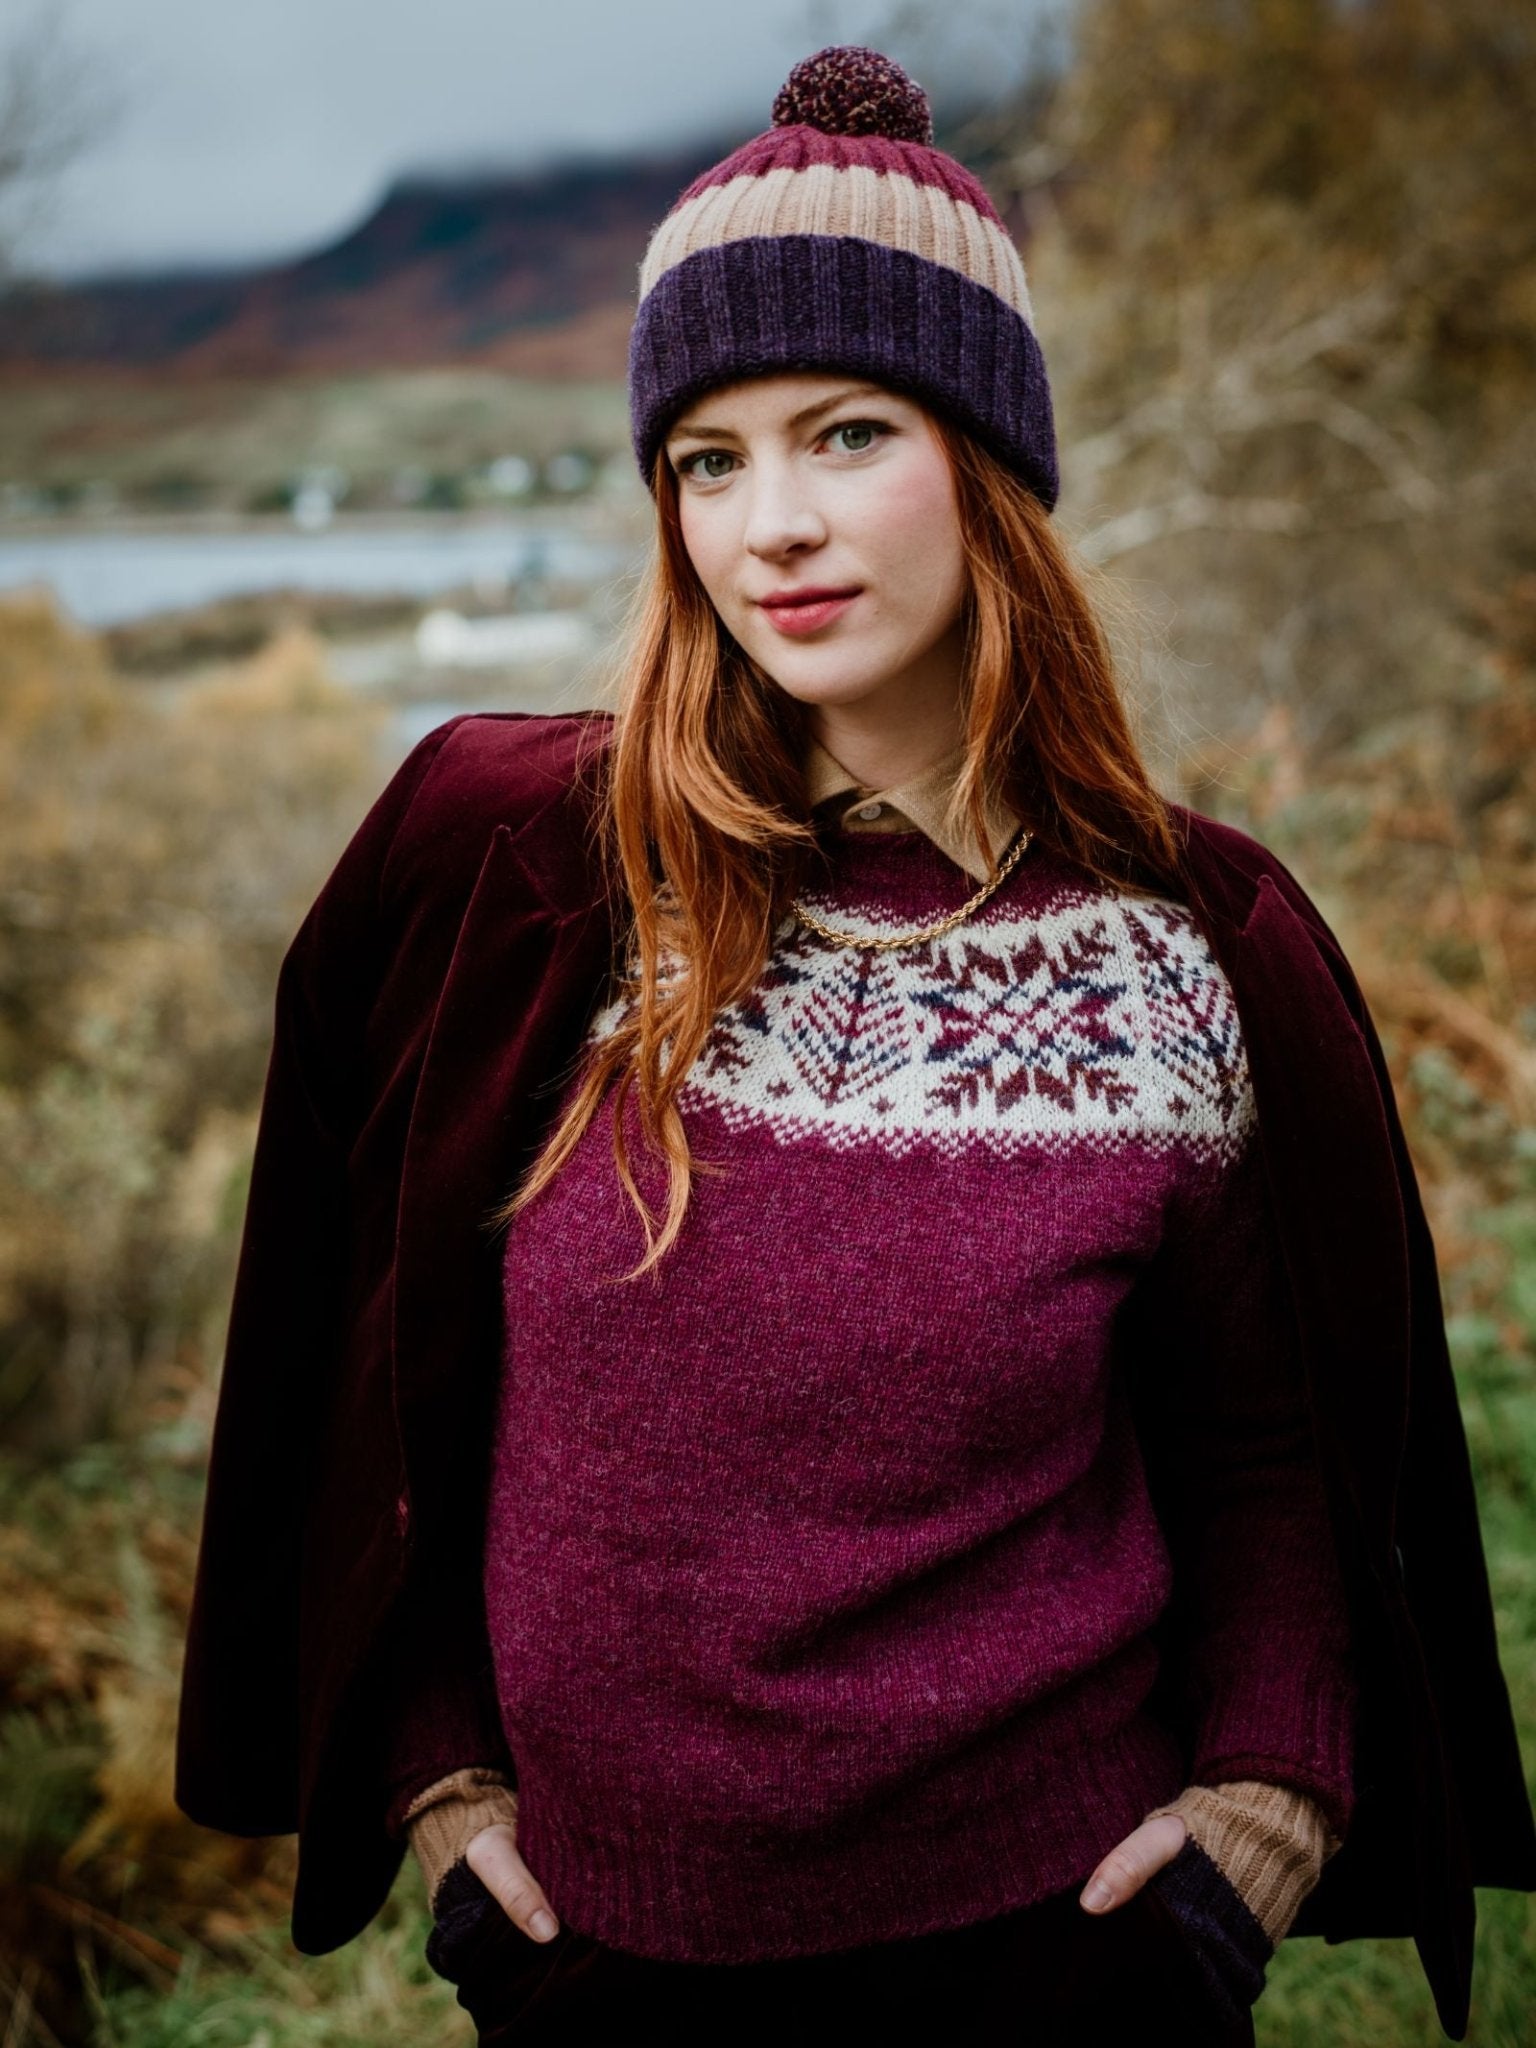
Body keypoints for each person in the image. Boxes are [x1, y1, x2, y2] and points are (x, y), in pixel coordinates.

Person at [173, 44, 1536, 2048]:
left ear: (981, 458)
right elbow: (376, 1336)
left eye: (844, 433)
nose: (772, 527)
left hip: (1056, 1956)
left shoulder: (1181, 954)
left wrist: (1269, 1788)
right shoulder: (535, 876)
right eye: (708, 460)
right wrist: (442, 1777)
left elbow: (1270, 1448)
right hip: (590, 1973)